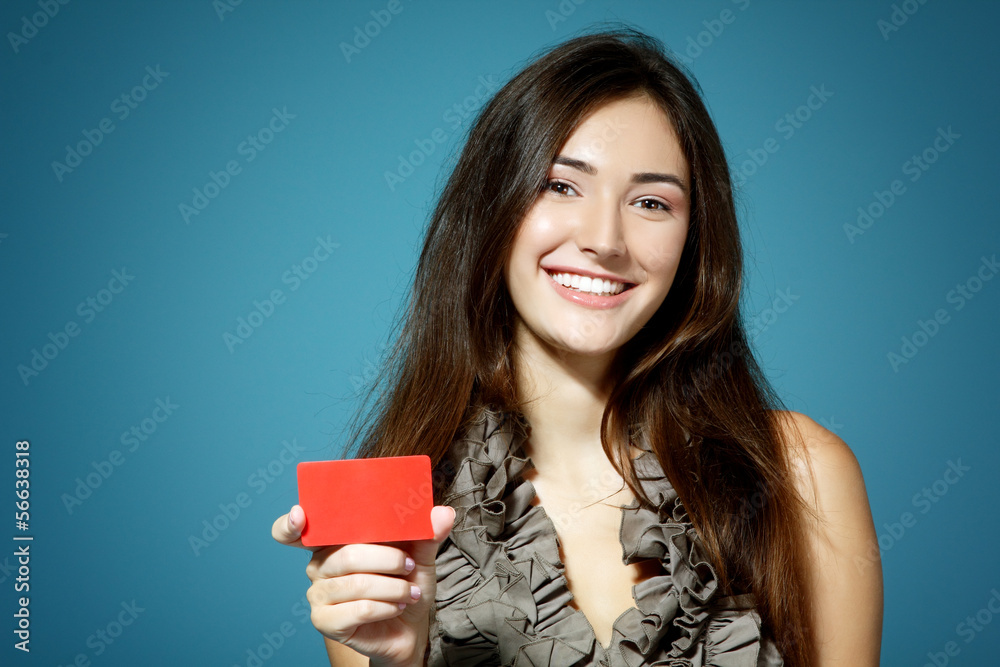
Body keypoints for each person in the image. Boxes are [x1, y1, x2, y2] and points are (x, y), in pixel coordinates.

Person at [272, 25, 883, 666]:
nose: (605, 239)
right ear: (492, 209)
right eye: (561, 185)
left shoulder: (800, 475)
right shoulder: (393, 512)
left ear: (693, 242)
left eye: (651, 201)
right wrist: (399, 660)